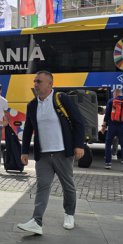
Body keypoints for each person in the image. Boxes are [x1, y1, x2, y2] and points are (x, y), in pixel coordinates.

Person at [17, 70, 85, 235]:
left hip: (62, 152)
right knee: (42, 186)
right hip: (43, 155)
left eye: (39, 81)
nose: (35, 84)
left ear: (50, 84)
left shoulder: (62, 99)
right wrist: (24, 151)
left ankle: (69, 214)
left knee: (67, 185)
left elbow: (78, 122)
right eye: (34, 81)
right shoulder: (32, 105)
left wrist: (79, 145)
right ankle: (36, 221)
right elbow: (28, 130)